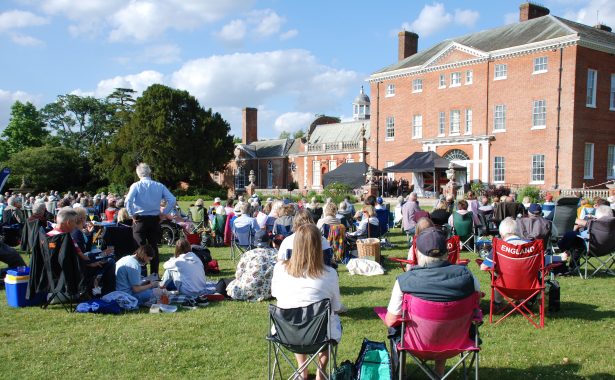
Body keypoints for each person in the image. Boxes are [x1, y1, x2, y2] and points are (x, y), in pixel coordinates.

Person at [384, 227, 479, 377]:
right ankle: (439, 374)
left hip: (416, 344)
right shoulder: (468, 276)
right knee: (444, 323)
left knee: (395, 330)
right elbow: (476, 305)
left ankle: (400, 374)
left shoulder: (405, 281)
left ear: (417, 253)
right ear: (447, 252)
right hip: (457, 342)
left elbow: (390, 320)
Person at [271, 224, 343, 380]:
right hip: (319, 336)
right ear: (319, 247)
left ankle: (302, 369)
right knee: (326, 322)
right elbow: (336, 307)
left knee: (299, 318)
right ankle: (320, 372)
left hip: (286, 333)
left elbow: (275, 293)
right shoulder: (330, 274)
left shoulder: (279, 268)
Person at [125, 163, 176, 275]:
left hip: (140, 220)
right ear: (150, 172)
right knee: (154, 248)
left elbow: (127, 201)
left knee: (139, 249)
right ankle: (154, 274)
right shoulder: (159, 186)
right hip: (154, 220)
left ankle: (141, 274)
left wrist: (132, 214)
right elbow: (172, 200)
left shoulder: (136, 185)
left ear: (138, 174)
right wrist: (163, 213)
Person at [227, 230, 277, 301]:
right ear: (269, 241)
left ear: (255, 242)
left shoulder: (248, 254)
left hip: (248, 291)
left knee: (224, 283)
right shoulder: (276, 253)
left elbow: (238, 275)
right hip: (270, 292)